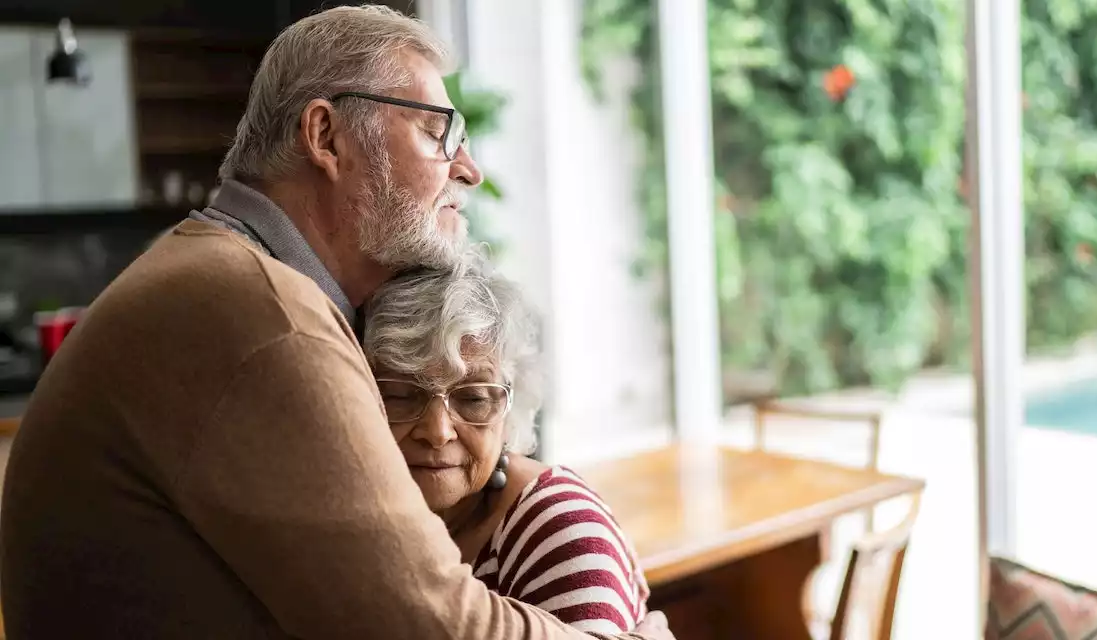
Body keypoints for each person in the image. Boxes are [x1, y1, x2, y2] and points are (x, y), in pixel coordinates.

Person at [0, 6, 671, 640]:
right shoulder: (261, 313)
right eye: (438, 133)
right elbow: (433, 625)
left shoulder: (225, 279)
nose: (468, 169)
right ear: (326, 137)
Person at [363, 253, 650, 634]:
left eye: (474, 398)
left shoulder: (560, 527)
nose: (438, 431)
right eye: (401, 395)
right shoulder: (357, 516)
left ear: (510, 408)